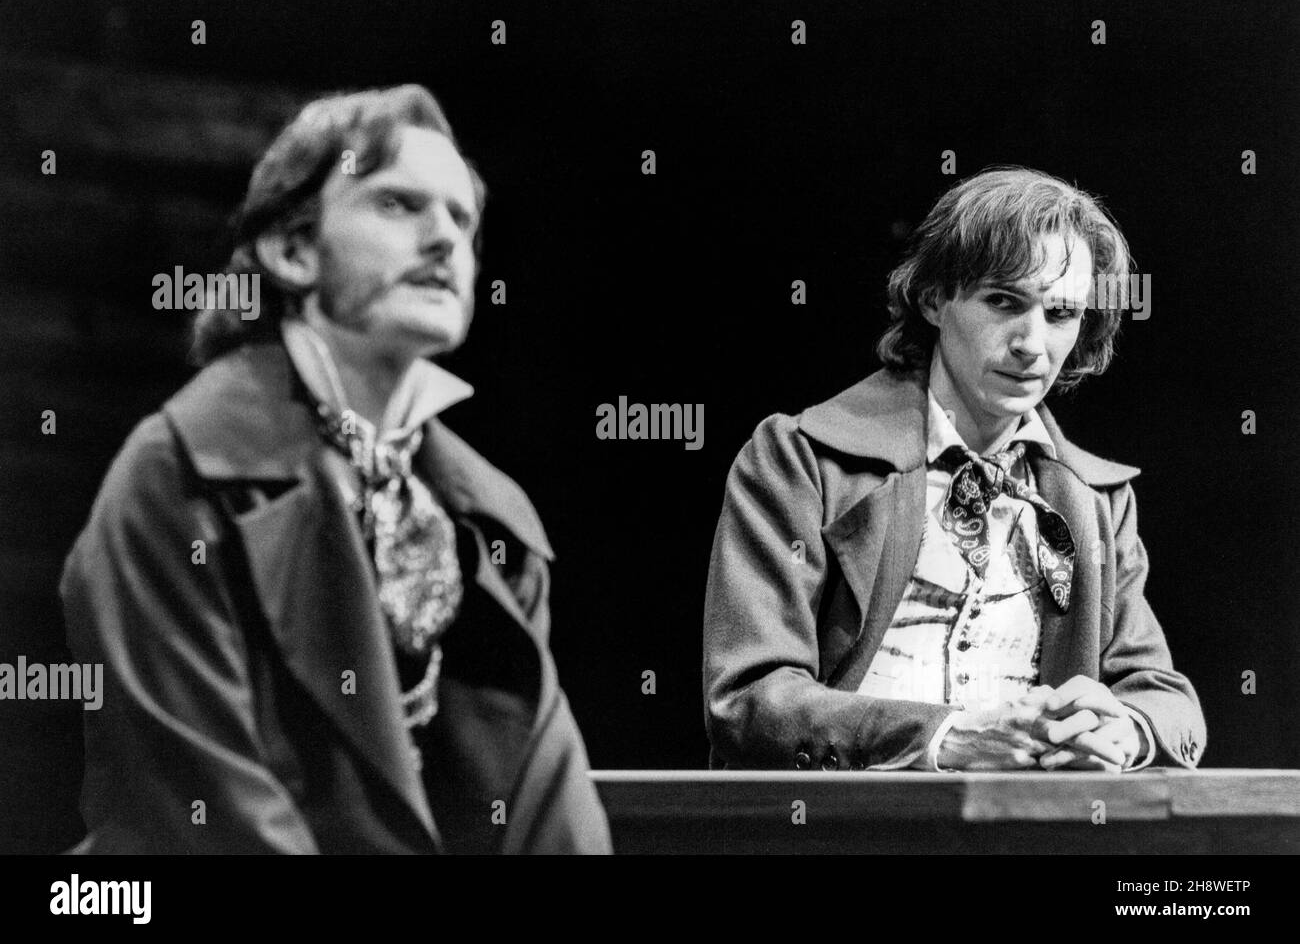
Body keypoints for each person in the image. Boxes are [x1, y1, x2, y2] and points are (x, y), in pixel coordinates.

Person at [61, 84, 611, 853]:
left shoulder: (493, 523)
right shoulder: (176, 475)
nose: (444, 240)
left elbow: (544, 807)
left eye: (462, 218)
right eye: (397, 204)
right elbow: (204, 815)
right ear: (293, 249)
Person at [703, 167, 1205, 773]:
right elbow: (751, 699)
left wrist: (1123, 731)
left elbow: (1163, 697)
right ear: (935, 299)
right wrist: (947, 737)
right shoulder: (801, 458)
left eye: (1062, 312)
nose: (1032, 343)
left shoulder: (1097, 497)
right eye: (1003, 301)